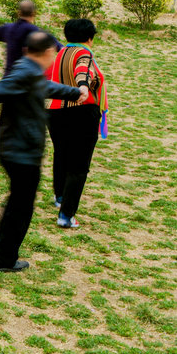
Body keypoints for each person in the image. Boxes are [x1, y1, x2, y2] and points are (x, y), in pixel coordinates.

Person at [0, 32, 87, 272]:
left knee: (17, 201)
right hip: (21, 152)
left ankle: (1, 242)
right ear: (49, 53)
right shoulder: (25, 73)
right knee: (22, 207)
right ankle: (3, 259)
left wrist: (74, 93)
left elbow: (45, 87)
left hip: (16, 148)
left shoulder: (27, 69)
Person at [46, 19, 108, 229]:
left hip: (55, 112)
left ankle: (60, 196)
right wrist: (82, 87)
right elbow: (84, 71)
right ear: (90, 37)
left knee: (62, 155)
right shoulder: (83, 53)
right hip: (80, 113)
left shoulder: (61, 53)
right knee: (79, 166)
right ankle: (66, 215)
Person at [0, 0, 61, 75]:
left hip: (8, 77)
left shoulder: (9, 28)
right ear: (33, 13)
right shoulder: (33, 30)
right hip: (23, 78)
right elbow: (49, 40)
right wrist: (62, 48)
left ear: (18, 12)